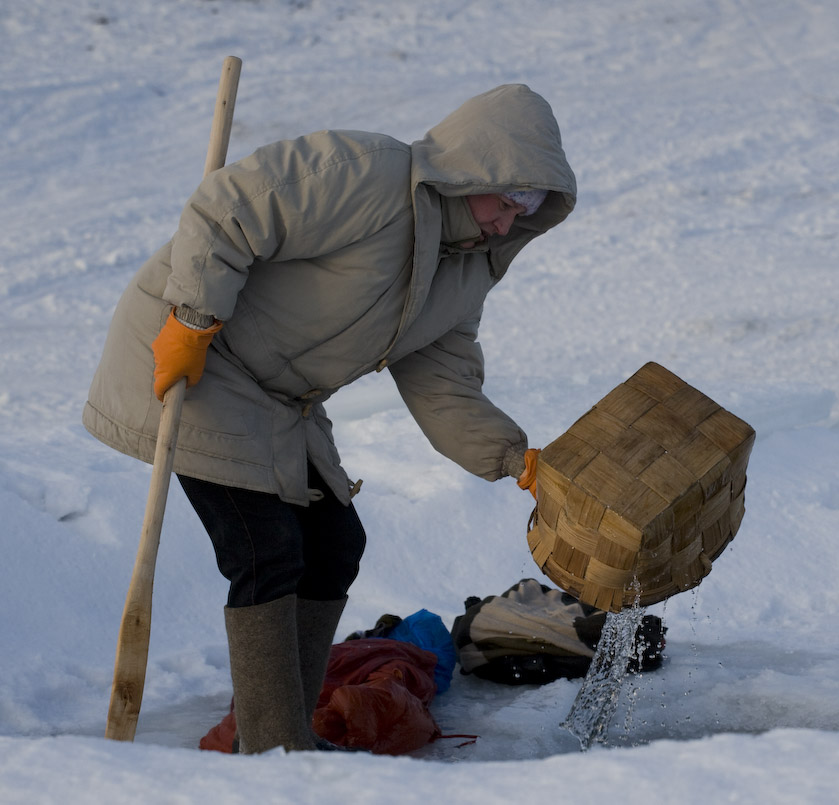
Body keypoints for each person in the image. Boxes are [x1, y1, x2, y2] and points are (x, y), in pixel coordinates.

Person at [82, 84, 575, 753]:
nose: (510, 221)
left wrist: (516, 459)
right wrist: (195, 317)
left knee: (335, 543)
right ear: (474, 170)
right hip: (197, 353)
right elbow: (228, 209)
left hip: (282, 401)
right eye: (510, 199)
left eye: (532, 209)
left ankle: (286, 730)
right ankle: (273, 751)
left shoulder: (467, 272)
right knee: (266, 551)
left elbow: (444, 382)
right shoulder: (366, 176)